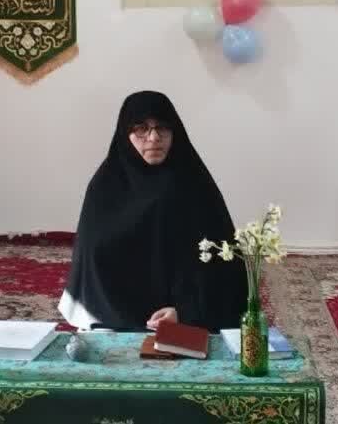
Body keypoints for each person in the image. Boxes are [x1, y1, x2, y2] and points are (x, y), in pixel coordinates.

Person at [58, 91, 247, 333]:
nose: (154, 137)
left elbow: (223, 267)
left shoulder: (195, 186)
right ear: (125, 134)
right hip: (112, 316)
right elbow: (91, 267)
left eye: (163, 128)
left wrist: (185, 311)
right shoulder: (104, 187)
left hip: (185, 316)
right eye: (141, 129)